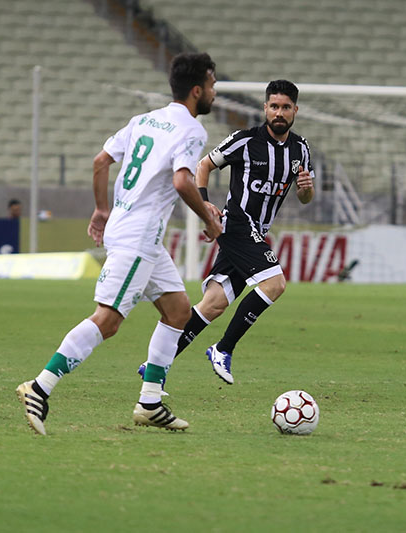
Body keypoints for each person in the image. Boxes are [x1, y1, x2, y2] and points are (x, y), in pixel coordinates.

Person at [16, 52, 222, 435]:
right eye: (211, 86)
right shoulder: (192, 131)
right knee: (108, 320)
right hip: (139, 237)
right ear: (197, 91)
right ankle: (40, 387)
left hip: (131, 228)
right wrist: (208, 217)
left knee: (177, 310)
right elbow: (181, 181)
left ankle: (150, 403)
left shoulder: (144, 120)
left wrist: (101, 209)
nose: (214, 92)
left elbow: (99, 162)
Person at [140, 79, 315, 386]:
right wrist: (206, 205)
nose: (279, 113)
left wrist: (306, 191)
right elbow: (202, 166)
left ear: (295, 110)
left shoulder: (301, 149)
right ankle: (223, 348)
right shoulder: (245, 141)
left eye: (286, 107)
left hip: (257, 232)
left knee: (213, 304)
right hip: (236, 224)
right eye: (274, 106)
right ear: (265, 108)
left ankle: (156, 365)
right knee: (275, 283)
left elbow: (304, 197)